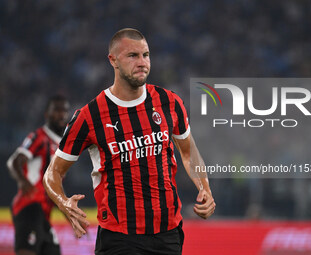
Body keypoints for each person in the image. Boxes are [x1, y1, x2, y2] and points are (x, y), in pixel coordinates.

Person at [43, 28, 215, 255]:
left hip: (169, 234)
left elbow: (187, 152)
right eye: (132, 56)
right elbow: (52, 174)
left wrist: (205, 188)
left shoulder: (169, 102)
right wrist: (63, 202)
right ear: (112, 60)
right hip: (119, 238)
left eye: (146, 55)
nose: (142, 62)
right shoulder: (89, 116)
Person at [7, 95, 70, 255]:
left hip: (44, 214)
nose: (61, 114)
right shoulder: (39, 137)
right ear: (46, 114)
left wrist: (69, 213)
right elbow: (15, 161)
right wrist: (22, 181)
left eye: (64, 110)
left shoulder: (61, 148)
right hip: (30, 207)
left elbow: (55, 187)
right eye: (56, 109)